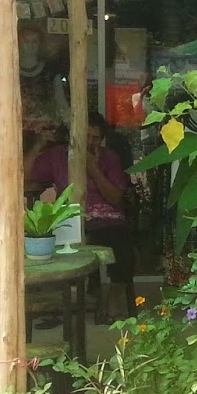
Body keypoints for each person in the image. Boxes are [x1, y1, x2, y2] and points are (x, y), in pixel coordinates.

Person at [29, 110, 133, 319]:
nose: (90, 142)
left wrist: (93, 169)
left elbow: (115, 198)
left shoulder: (109, 158)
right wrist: (37, 146)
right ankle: (62, 300)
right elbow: (26, 174)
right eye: (86, 136)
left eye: (96, 138)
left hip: (106, 219)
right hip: (69, 218)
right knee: (42, 241)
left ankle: (114, 296)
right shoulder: (58, 155)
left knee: (121, 244)